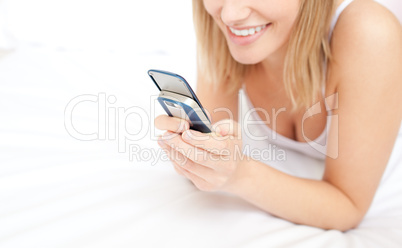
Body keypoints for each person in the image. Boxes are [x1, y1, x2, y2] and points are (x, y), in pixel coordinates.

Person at [155, 0, 402, 231]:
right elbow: (214, 155)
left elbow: (349, 205)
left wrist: (239, 174)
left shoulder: (370, 33)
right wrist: (193, 152)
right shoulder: (223, 24)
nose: (230, 14)